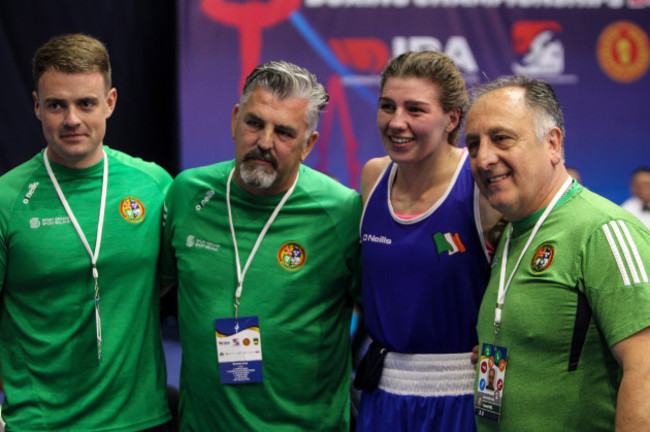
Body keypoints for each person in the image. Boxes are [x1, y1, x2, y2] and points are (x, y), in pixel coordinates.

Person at [161, 60, 361, 431]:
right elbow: (150, 292)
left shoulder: (342, 211)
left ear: (308, 144)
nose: (265, 142)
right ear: (236, 119)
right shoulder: (188, 193)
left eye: (284, 132)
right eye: (254, 123)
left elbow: (377, 314)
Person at [0, 34, 172, 431]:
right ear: (36, 106)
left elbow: (160, 283)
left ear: (110, 102)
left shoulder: (155, 186)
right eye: (57, 104)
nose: (72, 119)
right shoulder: (8, 199)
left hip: (141, 419)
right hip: (39, 421)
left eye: (86, 103)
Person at [466, 75, 650, 431]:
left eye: (501, 138)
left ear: (552, 144)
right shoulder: (513, 232)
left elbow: (645, 368)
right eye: (473, 144)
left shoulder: (604, 230)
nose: (484, 158)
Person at [356, 51, 503, 432]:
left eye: (415, 110)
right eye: (387, 106)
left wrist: (504, 353)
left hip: (467, 393)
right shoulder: (373, 177)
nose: (396, 122)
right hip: (382, 392)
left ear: (452, 118)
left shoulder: (479, 183)